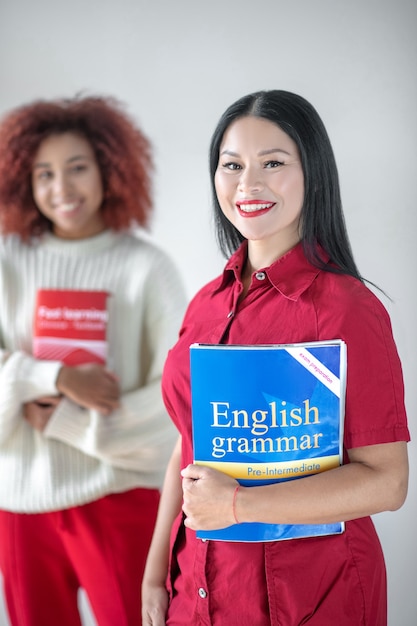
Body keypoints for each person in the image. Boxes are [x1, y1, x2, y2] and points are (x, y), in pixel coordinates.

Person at [141, 90, 410, 626]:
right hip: (195, 587)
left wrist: (238, 506)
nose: (248, 184)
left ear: (313, 172)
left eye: (272, 163)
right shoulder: (206, 303)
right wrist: (154, 573)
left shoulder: (348, 310)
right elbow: (188, 444)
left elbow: (388, 481)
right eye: (232, 165)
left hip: (311, 596)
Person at [0, 94, 186, 626]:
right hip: (20, 501)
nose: (62, 189)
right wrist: (53, 375)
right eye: (44, 174)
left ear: (110, 168)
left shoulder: (148, 269)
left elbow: (178, 397)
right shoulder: (6, 261)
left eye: (77, 168)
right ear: (24, 182)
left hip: (118, 495)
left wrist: (68, 421)